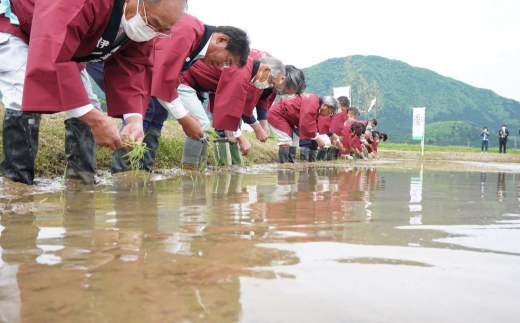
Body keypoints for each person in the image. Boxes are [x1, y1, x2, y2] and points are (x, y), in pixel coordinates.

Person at [0, 0, 186, 185]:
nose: (153, 31)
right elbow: (51, 47)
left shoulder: (145, 28)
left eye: (163, 30)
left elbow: (133, 67)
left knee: (89, 104)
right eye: (152, 22)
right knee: (21, 94)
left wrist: (134, 120)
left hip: (67, 47)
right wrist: (95, 120)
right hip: (19, 25)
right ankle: (16, 186)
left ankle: (80, 183)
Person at [86, 16, 251, 173]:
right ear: (222, 40)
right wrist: (184, 119)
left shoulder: (196, 48)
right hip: (112, 56)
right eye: (227, 61)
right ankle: (124, 173)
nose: (222, 67)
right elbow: (163, 78)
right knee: (147, 106)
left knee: (159, 110)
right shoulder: (190, 31)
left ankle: (144, 172)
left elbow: (171, 83)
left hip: (137, 67)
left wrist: (186, 114)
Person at [178, 54, 287, 169]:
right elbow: (231, 104)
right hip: (184, 79)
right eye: (271, 81)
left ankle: (200, 168)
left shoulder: (247, 70)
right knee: (203, 124)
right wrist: (241, 138)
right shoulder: (243, 70)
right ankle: (189, 169)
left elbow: (228, 101)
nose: (268, 86)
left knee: (204, 126)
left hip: (194, 84)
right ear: (267, 70)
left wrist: (229, 127)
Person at [268, 95, 339, 163]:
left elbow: (312, 124)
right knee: (285, 140)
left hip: (290, 119)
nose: (329, 114)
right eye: (330, 112)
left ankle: (290, 164)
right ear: (324, 105)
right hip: (279, 114)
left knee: (294, 140)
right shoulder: (312, 105)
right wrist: (317, 139)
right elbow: (306, 125)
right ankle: (283, 166)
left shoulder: (316, 104)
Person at [316, 96, 350, 162]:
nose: (341, 112)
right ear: (339, 104)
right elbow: (324, 124)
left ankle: (319, 163)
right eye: (343, 110)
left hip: (323, 130)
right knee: (325, 142)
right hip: (318, 129)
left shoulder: (332, 112)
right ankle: (318, 162)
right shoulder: (327, 110)